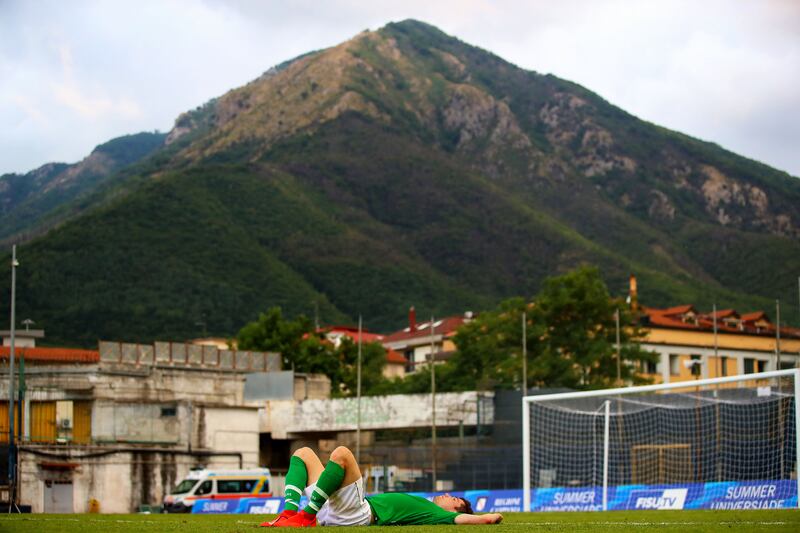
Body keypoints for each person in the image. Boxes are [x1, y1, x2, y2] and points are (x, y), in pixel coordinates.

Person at [261, 446, 503, 527]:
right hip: (334, 509)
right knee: (302, 453)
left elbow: (462, 520)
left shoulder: (437, 515)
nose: (449, 495)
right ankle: (289, 514)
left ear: (454, 509)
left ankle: (305, 516)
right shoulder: (426, 506)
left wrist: (488, 518)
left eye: (455, 499)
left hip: (356, 513)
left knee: (342, 454)